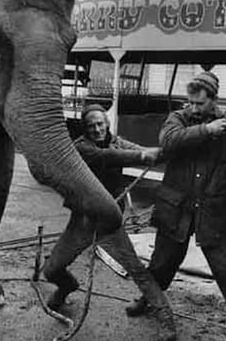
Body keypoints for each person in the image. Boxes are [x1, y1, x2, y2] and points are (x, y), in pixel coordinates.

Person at [126, 71, 226, 339]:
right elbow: (168, 141)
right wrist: (206, 129)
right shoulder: (178, 118)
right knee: (162, 263)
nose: (193, 108)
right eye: (190, 102)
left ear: (213, 101)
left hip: (211, 208)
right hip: (176, 206)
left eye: (200, 103)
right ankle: (148, 300)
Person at [42, 104, 177, 341]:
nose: (96, 129)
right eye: (91, 126)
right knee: (52, 269)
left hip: (109, 221)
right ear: (85, 129)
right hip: (82, 221)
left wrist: (166, 150)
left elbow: (138, 150)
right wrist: (142, 156)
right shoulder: (81, 148)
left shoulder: (117, 141)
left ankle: (166, 319)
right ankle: (66, 287)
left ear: (107, 124)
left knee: (138, 271)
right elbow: (108, 157)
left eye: (100, 124)